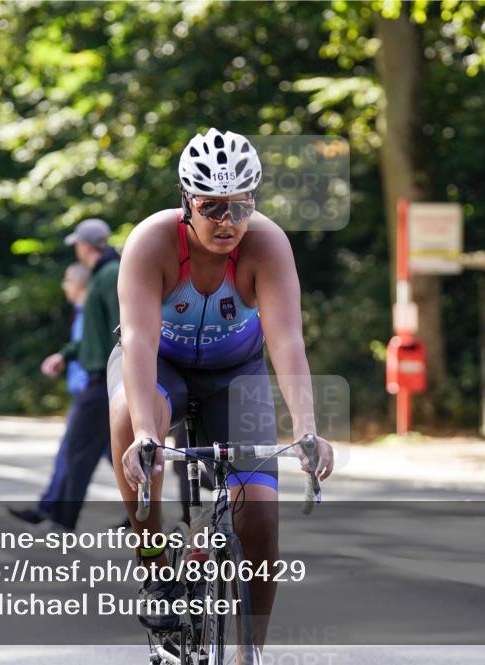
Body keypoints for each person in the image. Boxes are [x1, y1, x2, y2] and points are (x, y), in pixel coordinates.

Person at [106, 128, 334, 652]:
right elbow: (139, 342)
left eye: (241, 205)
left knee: (260, 517)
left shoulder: (267, 244)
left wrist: (306, 429)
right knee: (130, 422)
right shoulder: (152, 242)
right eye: (212, 207)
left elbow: (288, 341)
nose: (228, 221)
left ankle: (248, 650)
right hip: (159, 366)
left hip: (235, 374)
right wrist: (146, 432)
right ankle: (154, 565)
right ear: (187, 202)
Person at [40, 219, 122, 531]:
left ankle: (62, 520)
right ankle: (139, 516)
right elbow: (93, 335)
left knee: (77, 450)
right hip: (100, 378)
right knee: (110, 454)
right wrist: (65, 355)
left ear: (85, 246)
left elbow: (122, 330)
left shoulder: (109, 275)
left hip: (105, 380)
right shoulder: (102, 275)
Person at [9, 262, 96, 526]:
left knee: (69, 453)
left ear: (77, 284)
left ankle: (50, 511)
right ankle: (48, 508)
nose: (64, 287)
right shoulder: (81, 311)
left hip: (89, 391)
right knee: (113, 458)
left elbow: (86, 348)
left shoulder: (89, 312)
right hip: (88, 392)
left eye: (66, 282)